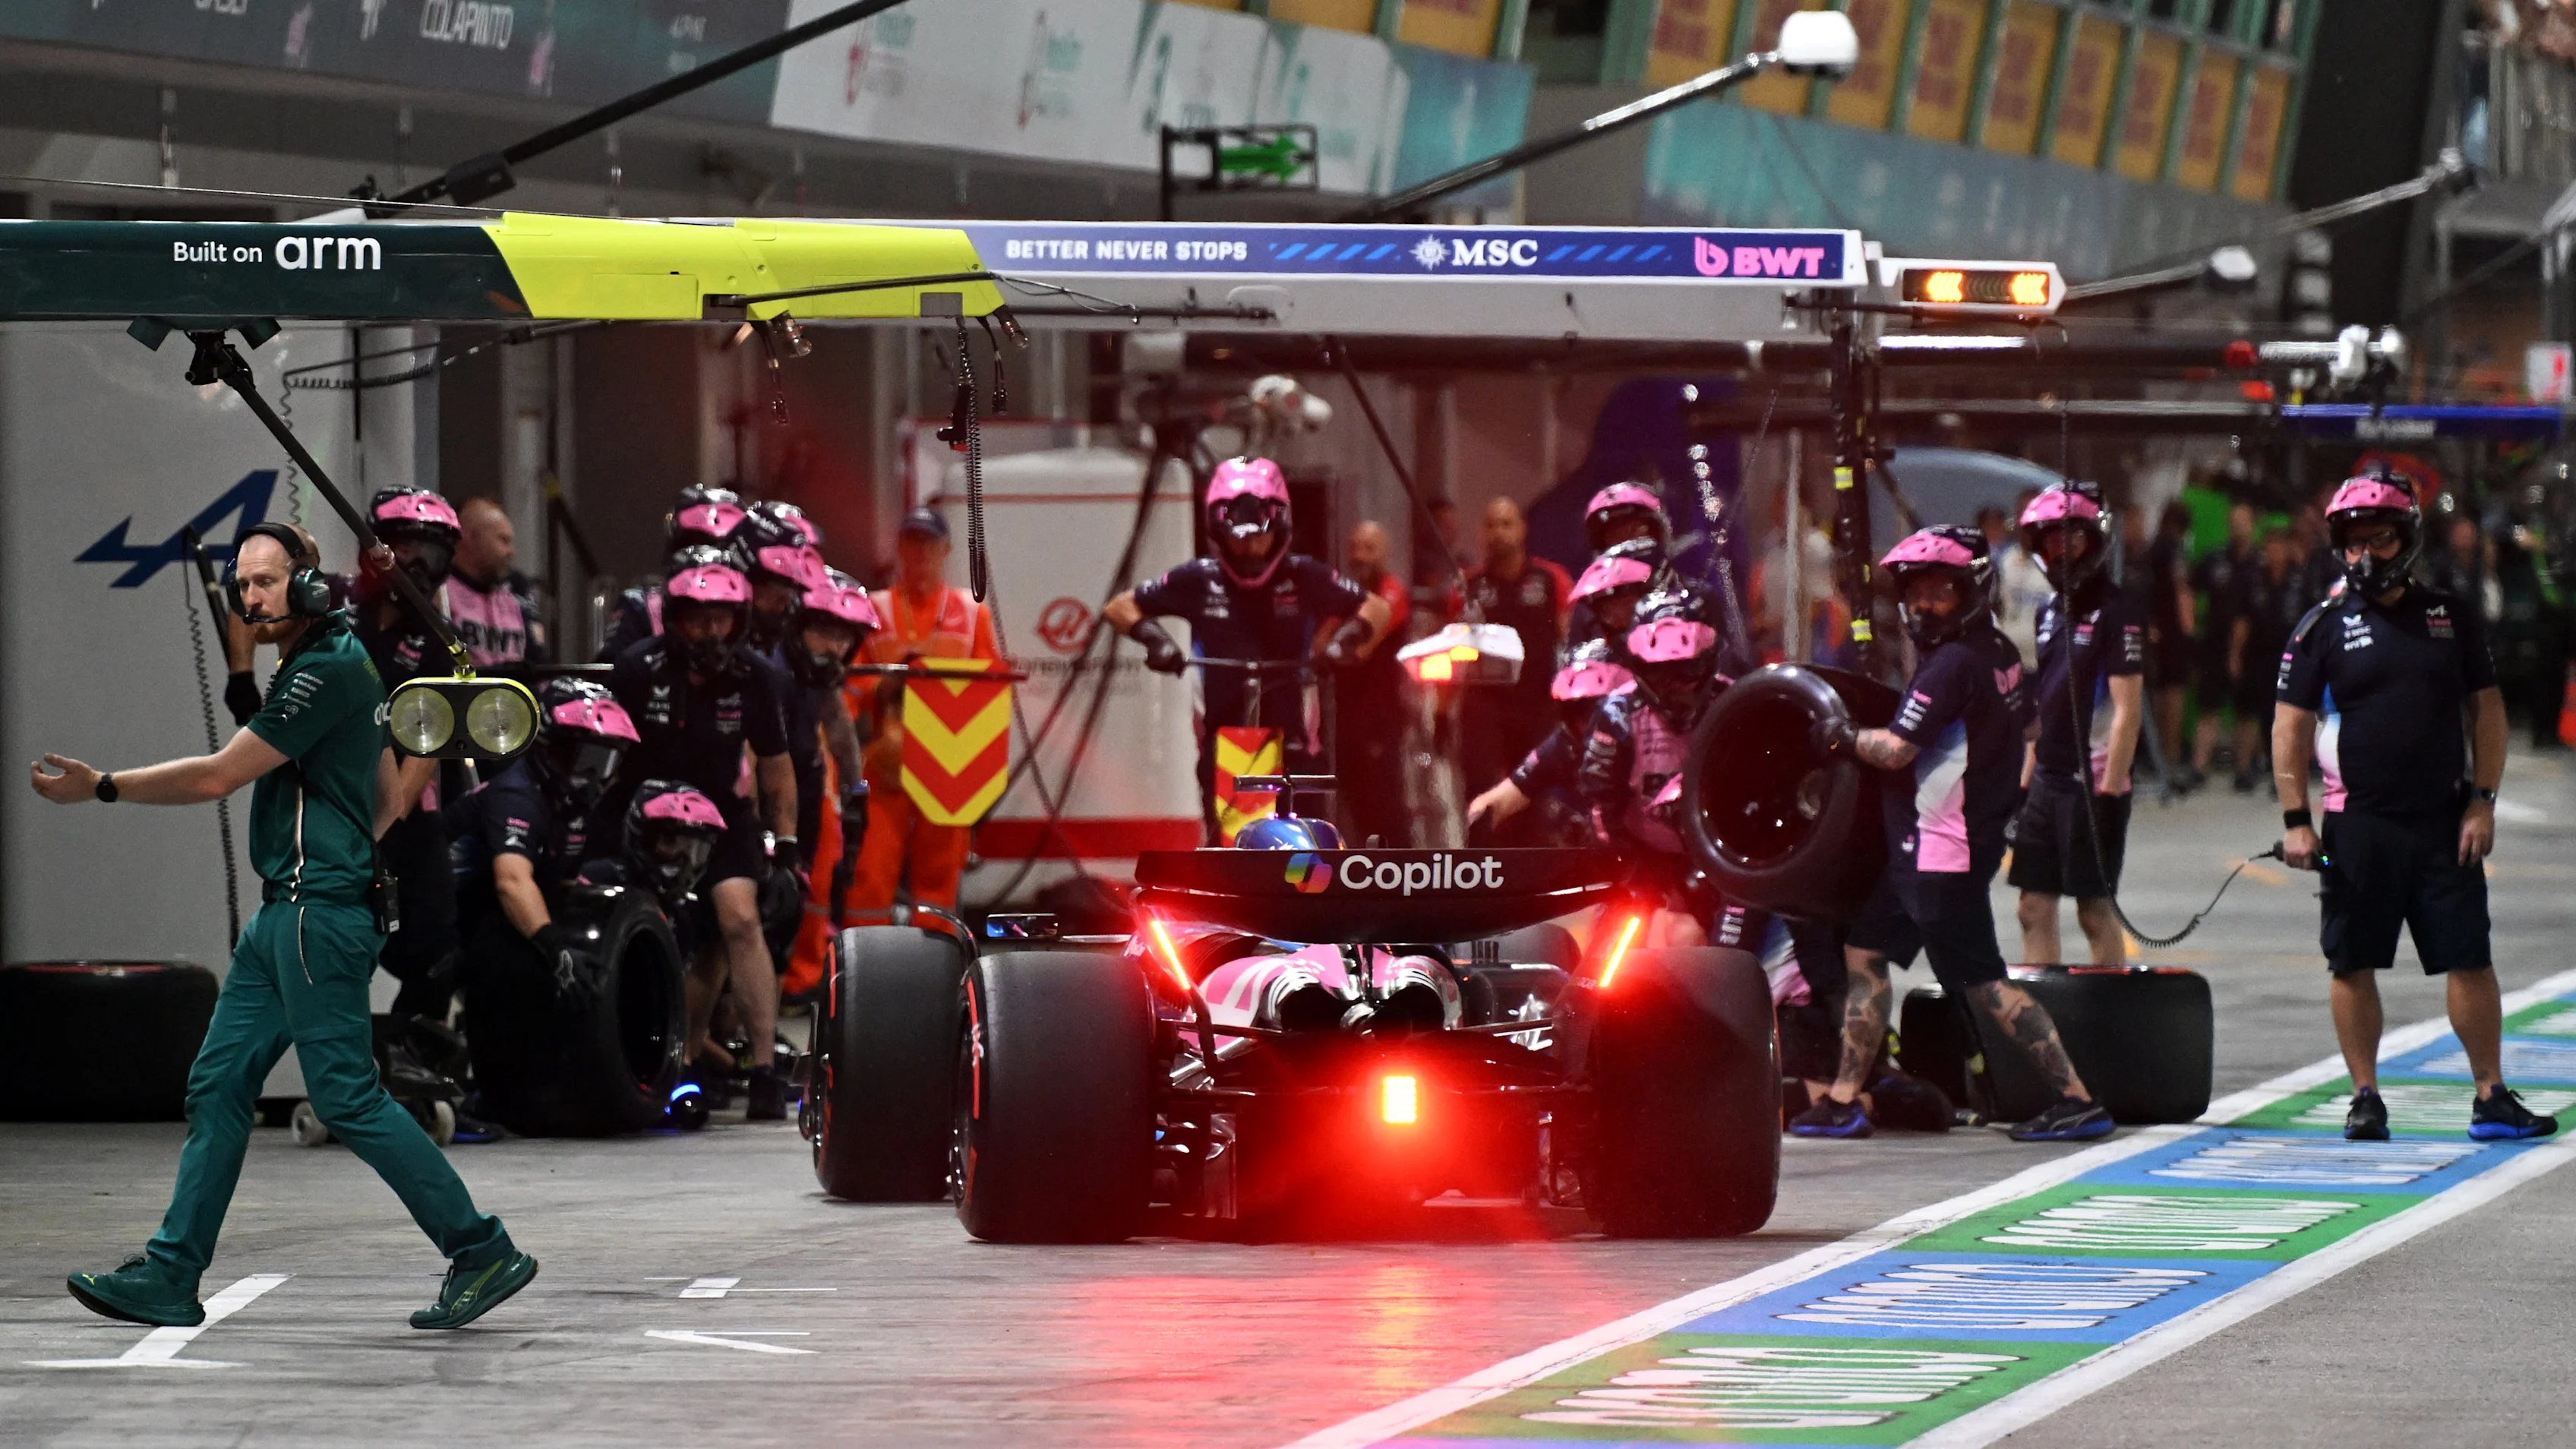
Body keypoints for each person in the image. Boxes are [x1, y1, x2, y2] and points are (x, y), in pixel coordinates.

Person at [36, 522, 535, 1331]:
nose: (249, 597)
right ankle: (171, 1272)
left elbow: (217, 777)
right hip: (293, 913)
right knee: (219, 1084)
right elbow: (384, 801)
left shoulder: (329, 667)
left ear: (309, 586)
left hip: (312, 916)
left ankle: (479, 1248)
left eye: (266, 582)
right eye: (243, 585)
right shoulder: (320, 665)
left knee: (345, 1096)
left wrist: (104, 788)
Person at [1798, 526, 2112, 1143]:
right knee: (1866, 953)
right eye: (1915, 592)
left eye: (1939, 592)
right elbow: (2019, 736)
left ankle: (2076, 1099)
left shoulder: (1951, 665)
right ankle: (1843, 1098)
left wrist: (1837, 735)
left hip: (1942, 854)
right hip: (1937, 845)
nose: (1922, 605)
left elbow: (1892, 750)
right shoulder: (1997, 653)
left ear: (1970, 592)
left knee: (1985, 984)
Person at [2275, 469, 2556, 1143]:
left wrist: (2483, 802)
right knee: (2351, 962)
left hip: (2443, 824)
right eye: (2353, 542)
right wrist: (2295, 820)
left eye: (2381, 539)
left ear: (2407, 540)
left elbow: (2487, 713)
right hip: (2357, 827)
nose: (2366, 554)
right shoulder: (2321, 628)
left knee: (2470, 959)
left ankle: (2491, 1095)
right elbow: (2289, 727)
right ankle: (2364, 1097)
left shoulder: (2449, 616)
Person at [604, 549, 800, 1119]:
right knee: (662, 932)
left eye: (721, 619)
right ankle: (672, 1064)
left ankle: (763, 1068)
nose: (710, 631)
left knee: (739, 919)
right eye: (697, 618)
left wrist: (785, 849)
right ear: (677, 617)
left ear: (737, 620)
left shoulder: (758, 678)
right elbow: (608, 758)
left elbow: (776, 766)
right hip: (644, 816)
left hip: (721, 816)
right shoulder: (637, 668)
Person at [1106, 459, 1388, 840]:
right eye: (1240, 538)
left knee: (1309, 851)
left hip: (1296, 744)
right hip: (1227, 745)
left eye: (1259, 537)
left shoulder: (1303, 574)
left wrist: (1347, 641)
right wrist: (1155, 639)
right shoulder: (1200, 578)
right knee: (1233, 851)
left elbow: (1377, 607)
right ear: (1221, 534)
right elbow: (1119, 607)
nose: (1251, 547)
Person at [2008, 484, 2145, 967]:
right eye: (2050, 540)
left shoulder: (2117, 611)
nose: (2060, 549)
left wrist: (2108, 797)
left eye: (2073, 538)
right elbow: (2043, 704)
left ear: (2095, 539)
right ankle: (2042, 1024)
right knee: (2032, 907)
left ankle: (2111, 1020)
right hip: (2048, 780)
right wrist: (2024, 787)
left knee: (2093, 911)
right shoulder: (2048, 612)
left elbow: (2128, 709)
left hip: (2094, 783)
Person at [848, 508, 1001, 921]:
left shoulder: (973, 615)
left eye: (929, 545)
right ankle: (865, 965)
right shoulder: (871, 609)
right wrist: (885, 686)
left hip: (948, 766)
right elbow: (850, 687)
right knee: (869, 873)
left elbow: (991, 687)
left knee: (940, 878)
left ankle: (938, 965)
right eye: (911, 545)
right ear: (899, 549)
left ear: (947, 550)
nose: (920, 554)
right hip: (887, 762)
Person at [448, 677, 636, 1011]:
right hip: (450, 923)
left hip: (490, 914)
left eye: (604, 762)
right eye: (584, 759)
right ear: (552, 747)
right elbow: (511, 882)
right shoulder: (517, 795)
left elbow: (565, 889)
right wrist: (557, 953)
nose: (592, 775)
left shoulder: (573, 810)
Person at [352, 488, 467, 1028]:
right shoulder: (331, 608)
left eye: (434, 555)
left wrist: (382, 828)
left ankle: (416, 1063)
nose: (419, 566)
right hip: (327, 805)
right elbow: (251, 609)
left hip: (400, 814)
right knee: (330, 947)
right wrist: (239, 678)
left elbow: (426, 745)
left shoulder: (440, 640)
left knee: (440, 948)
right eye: (408, 549)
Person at [1455, 498, 1574, 838]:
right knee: (1482, 793)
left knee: (1534, 796)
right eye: (1491, 525)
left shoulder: (1552, 579)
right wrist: (1443, 710)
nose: (1498, 533)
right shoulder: (1469, 587)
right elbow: (1452, 650)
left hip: (1538, 705)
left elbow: (1570, 639)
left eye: (1507, 524)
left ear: (1522, 529)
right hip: (1484, 709)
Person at [1465, 636, 1631, 843]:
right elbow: (1499, 801)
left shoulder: (1658, 738)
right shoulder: (1563, 746)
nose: (1588, 726)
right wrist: (1473, 834)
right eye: (1578, 713)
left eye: (1598, 713)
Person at [1331, 521, 1414, 848]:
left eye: (1369, 548)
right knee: (1355, 800)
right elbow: (1320, 645)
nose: (1360, 556)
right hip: (1345, 714)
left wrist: (1340, 643)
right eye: (1355, 548)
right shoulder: (1343, 594)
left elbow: (1361, 648)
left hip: (1382, 716)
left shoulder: (1392, 591)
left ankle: (1401, 871)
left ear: (1384, 553)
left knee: (1386, 801)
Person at [598, 485, 750, 661]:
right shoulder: (643, 606)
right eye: (694, 618)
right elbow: (611, 679)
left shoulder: (764, 609)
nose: (708, 560)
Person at [2232, 526, 2308, 792]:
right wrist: (2235, 656)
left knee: (2286, 717)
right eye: (2270, 547)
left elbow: (2312, 621)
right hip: (2258, 656)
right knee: (2250, 713)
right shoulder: (2254, 579)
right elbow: (2243, 621)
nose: (2274, 552)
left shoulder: (2301, 579)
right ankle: (2243, 770)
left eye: (2279, 546)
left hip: (2290, 656)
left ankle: (2284, 773)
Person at [2189, 501, 2259, 783]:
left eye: (2242, 521)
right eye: (2233, 521)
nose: (2237, 526)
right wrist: (2193, 627)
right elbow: (2190, 589)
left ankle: (2243, 769)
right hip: (2215, 644)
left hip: (2253, 647)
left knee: (2247, 710)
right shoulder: (2215, 559)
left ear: (2252, 525)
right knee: (2210, 707)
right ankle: (2198, 768)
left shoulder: (2262, 562)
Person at [447, 496, 547, 668]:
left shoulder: (516, 594)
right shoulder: (440, 592)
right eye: (503, 540)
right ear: (470, 537)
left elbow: (539, 663)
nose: (511, 552)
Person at [2143, 501, 2198, 791]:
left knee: (2159, 695)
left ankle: (2159, 758)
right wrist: (2189, 630)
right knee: (2174, 697)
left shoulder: (2151, 551)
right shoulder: (2175, 551)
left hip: (2155, 633)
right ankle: (2170, 758)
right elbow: (2182, 591)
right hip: (2173, 634)